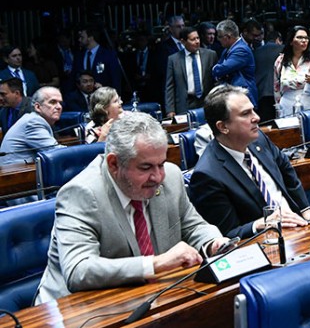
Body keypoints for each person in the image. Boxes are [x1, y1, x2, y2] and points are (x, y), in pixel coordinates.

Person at [34, 112, 228, 304]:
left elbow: (193, 226)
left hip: (145, 296)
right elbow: (79, 270)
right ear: (114, 164)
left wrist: (213, 242)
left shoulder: (171, 177)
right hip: (73, 312)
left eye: (161, 164)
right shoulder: (81, 194)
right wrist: (156, 263)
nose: (158, 177)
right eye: (145, 168)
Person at [188, 85, 310, 239]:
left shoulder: (259, 139)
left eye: (253, 110)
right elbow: (226, 235)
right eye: (245, 114)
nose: (256, 117)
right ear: (223, 127)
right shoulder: (207, 175)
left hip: (300, 228)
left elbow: (285, 169)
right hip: (264, 243)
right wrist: (259, 225)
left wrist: (305, 209)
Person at [273, 25, 310, 115]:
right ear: (291, 41)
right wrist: (278, 108)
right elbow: (276, 87)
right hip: (287, 107)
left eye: (306, 38)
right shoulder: (281, 60)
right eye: (299, 37)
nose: (304, 40)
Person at [0, 86, 63, 165]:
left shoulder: (33, 119)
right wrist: (83, 150)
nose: (59, 107)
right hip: (16, 174)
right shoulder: (33, 122)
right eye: (52, 102)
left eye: (60, 103)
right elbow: (56, 152)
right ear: (38, 107)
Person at [164, 26, 218, 119]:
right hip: (185, 103)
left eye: (198, 38)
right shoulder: (174, 59)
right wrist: (170, 109)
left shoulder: (210, 55)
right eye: (193, 39)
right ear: (183, 42)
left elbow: (216, 81)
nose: (197, 42)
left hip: (206, 101)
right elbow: (170, 86)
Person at [213, 19, 258, 107]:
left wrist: (215, 69)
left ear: (228, 37)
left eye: (219, 36)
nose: (218, 40)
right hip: (234, 95)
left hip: (244, 96)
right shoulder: (227, 50)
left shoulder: (241, 50)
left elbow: (221, 69)